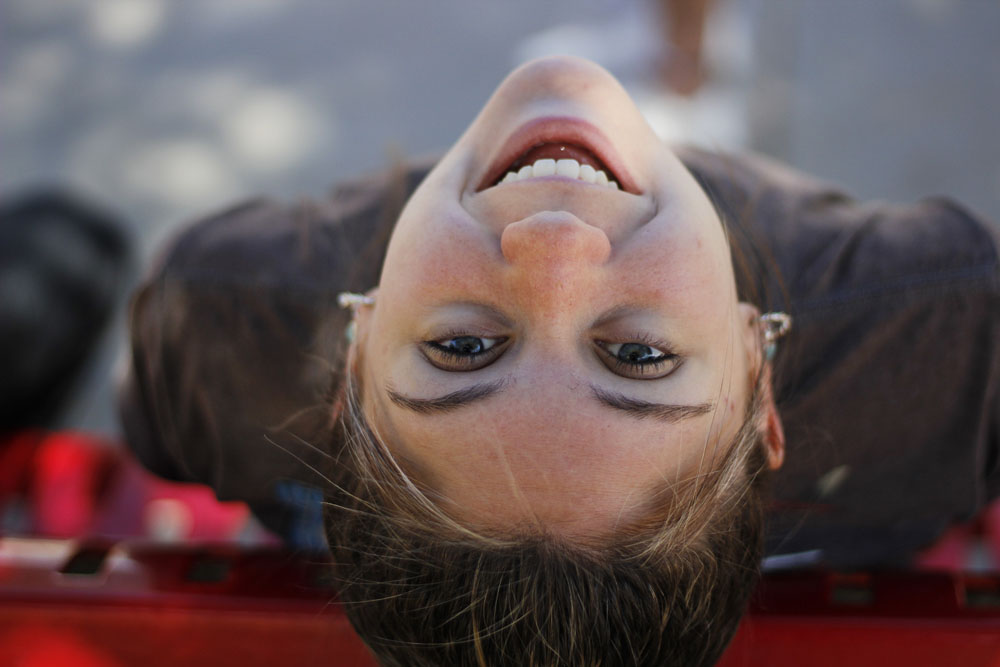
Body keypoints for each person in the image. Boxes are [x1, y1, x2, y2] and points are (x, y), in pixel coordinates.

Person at [120, 57, 1000, 666]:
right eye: (641, 357)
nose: (554, 244)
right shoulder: (956, 335)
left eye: (461, 347)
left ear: (351, 361)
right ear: (755, 365)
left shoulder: (213, 317)